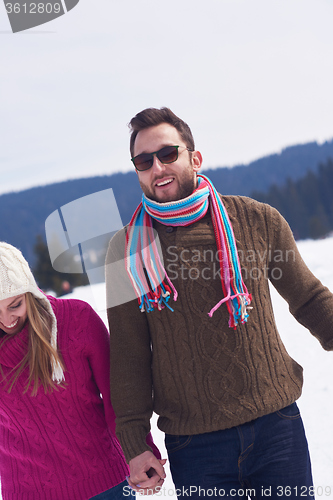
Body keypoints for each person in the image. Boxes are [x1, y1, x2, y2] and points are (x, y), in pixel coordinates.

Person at [105, 107, 333, 499]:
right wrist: (134, 441)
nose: (157, 167)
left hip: (276, 427)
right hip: (194, 445)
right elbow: (129, 353)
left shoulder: (257, 221)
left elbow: (309, 299)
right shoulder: (125, 250)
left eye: (168, 154)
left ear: (194, 157)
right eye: (144, 161)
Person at [0, 241, 160, 500]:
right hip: (27, 491)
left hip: (104, 484)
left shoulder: (76, 321)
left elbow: (116, 397)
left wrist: (140, 450)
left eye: (15, 305)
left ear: (30, 292)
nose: (7, 321)